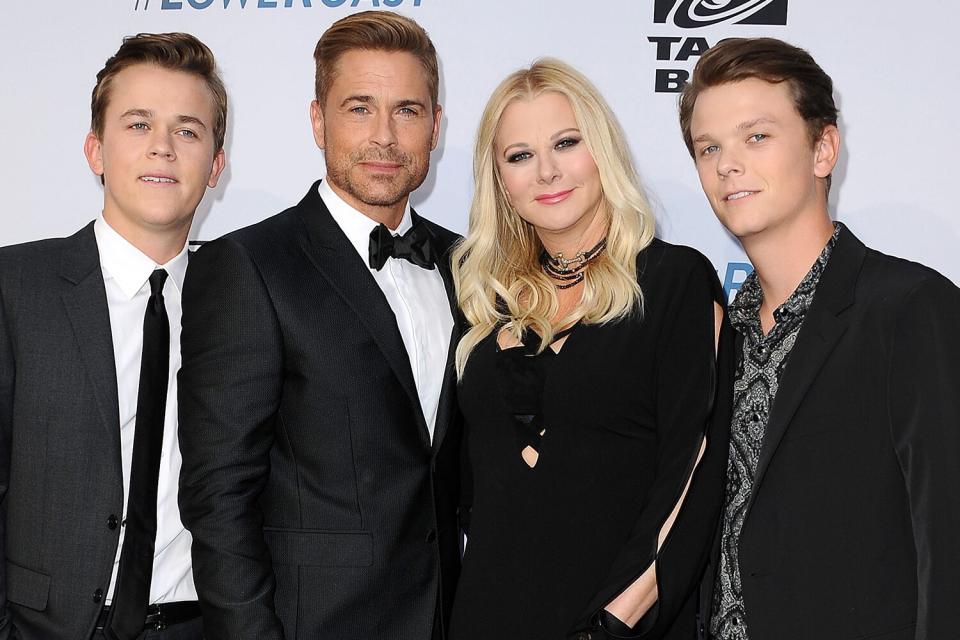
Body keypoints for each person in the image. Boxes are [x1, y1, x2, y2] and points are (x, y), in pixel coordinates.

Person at [177, 11, 461, 640]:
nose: (384, 136)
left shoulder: (469, 264)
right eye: (360, 108)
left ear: (436, 127)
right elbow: (217, 496)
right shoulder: (248, 265)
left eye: (408, 111)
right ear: (317, 120)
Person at [680, 37, 960, 640]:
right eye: (709, 147)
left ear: (823, 148)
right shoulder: (718, 334)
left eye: (756, 136)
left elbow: (949, 543)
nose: (728, 163)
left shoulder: (910, 309)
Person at [448, 58, 732, 640]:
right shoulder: (484, 304)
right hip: (486, 617)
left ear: (601, 149)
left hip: (617, 623)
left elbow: (695, 469)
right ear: (499, 179)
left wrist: (614, 621)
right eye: (520, 156)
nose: (547, 172)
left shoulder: (674, 281)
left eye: (566, 143)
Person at [0, 32, 226, 640]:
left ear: (215, 165)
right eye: (137, 125)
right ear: (95, 151)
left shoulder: (242, 300)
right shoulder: (14, 287)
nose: (162, 149)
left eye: (187, 130)